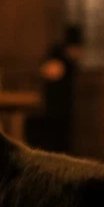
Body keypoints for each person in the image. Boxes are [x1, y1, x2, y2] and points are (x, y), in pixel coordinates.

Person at [31, 25, 83, 154]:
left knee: (64, 140)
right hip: (53, 106)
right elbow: (47, 71)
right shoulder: (57, 55)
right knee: (53, 140)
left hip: (64, 106)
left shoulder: (70, 62)